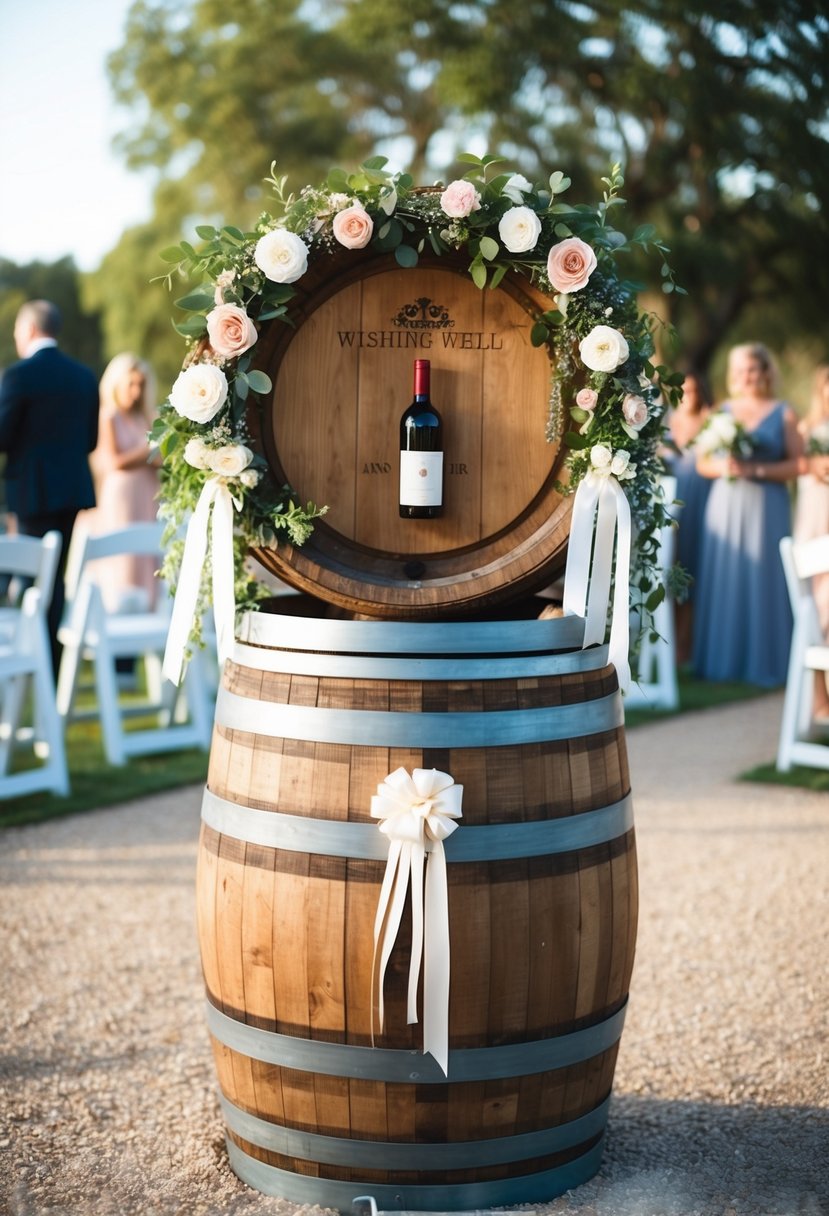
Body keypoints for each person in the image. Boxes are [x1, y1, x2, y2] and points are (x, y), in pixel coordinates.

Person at [0, 300, 98, 672]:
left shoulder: (18, 375)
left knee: (31, 577)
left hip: (30, 493)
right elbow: (89, 441)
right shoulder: (84, 376)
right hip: (71, 492)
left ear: (27, 330)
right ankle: (51, 666)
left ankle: (31, 663)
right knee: (55, 579)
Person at [88, 352, 161, 613]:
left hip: (147, 494)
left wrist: (151, 454)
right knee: (124, 557)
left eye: (141, 385)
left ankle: (146, 616)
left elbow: (162, 458)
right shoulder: (109, 417)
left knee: (147, 554)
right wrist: (146, 452)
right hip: (121, 499)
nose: (136, 391)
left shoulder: (146, 417)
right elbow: (113, 461)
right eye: (131, 384)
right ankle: (119, 614)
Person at [664, 370, 713, 665]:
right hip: (672, 507)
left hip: (701, 505)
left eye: (694, 390)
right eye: (684, 390)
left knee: (693, 571)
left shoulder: (710, 421)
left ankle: (687, 645)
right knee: (672, 570)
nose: (689, 396)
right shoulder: (667, 424)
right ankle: (669, 644)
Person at [793, 364, 829, 718]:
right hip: (815, 526)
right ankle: (819, 700)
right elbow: (795, 464)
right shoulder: (807, 429)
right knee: (817, 614)